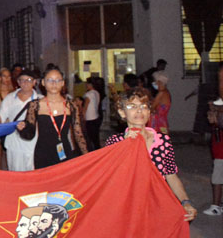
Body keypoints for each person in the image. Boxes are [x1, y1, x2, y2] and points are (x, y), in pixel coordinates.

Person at [105, 89, 197, 221]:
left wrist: (185, 202)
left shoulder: (163, 141)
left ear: (149, 111)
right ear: (122, 112)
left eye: (143, 106)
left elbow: (170, 175)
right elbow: (109, 178)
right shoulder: (114, 142)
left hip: (157, 205)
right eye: (132, 106)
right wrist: (125, 146)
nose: (139, 111)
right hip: (127, 208)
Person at [17, 67, 87, 169]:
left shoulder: (71, 106)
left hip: (65, 152)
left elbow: (79, 134)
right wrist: (22, 129)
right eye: (50, 80)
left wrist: (87, 156)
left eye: (58, 80)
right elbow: (29, 135)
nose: (54, 83)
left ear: (63, 83)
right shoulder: (35, 105)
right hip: (43, 154)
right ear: (43, 83)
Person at [0, 70, 41, 171]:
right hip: (14, 144)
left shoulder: (40, 100)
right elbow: (1, 116)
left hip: (33, 144)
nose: (25, 83)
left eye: (29, 80)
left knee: (32, 174)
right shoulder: (10, 98)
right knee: (15, 173)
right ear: (18, 82)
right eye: (22, 80)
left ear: (34, 82)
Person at [203, 98, 223, 216]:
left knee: (216, 180)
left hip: (221, 155)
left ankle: (215, 206)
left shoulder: (220, 116)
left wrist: (215, 111)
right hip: (218, 153)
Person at [82, 77, 101, 150]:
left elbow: (85, 107)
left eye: (87, 84)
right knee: (95, 138)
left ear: (90, 85)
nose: (86, 85)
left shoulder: (88, 94)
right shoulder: (96, 93)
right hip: (95, 117)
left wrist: (83, 116)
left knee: (89, 138)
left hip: (89, 118)